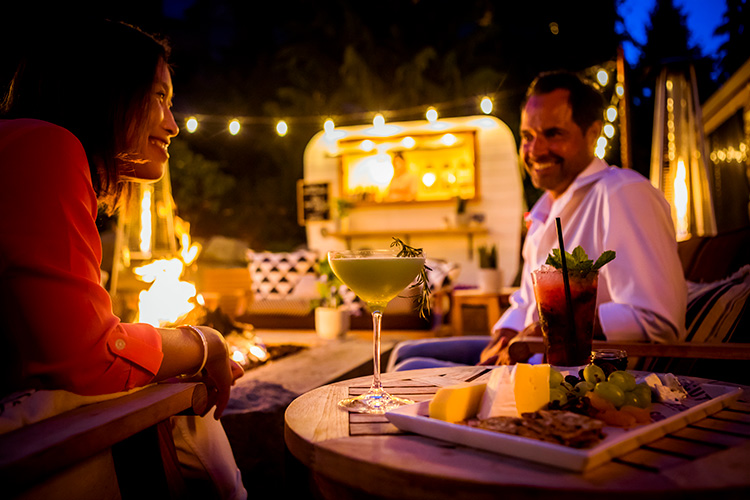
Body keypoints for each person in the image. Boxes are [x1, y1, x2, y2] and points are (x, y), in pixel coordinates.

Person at [0, 18, 246, 499]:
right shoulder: (43, 146)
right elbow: (88, 356)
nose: (173, 125)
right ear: (103, 88)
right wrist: (205, 343)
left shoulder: (23, 146)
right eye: (159, 97)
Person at [388, 70, 687, 371]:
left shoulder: (622, 193)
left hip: (569, 369)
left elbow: (657, 320)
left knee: (408, 370)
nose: (536, 150)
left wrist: (555, 327)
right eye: (528, 137)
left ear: (593, 133)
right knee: (403, 352)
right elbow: (526, 301)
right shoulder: (544, 209)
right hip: (526, 350)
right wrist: (505, 334)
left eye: (554, 134)